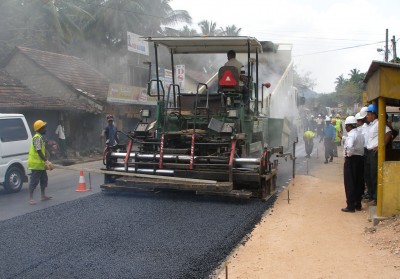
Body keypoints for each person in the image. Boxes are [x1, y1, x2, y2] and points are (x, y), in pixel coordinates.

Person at [365, 103, 392, 205]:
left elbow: (389, 133)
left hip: (374, 153)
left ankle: (376, 199)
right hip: (369, 153)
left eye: (368, 114)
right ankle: (372, 196)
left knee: (374, 175)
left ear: (374, 114)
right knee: (369, 175)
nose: (367, 116)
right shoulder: (372, 125)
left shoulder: (379, 124)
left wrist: (381, 146)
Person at [341, 116, 364, 213]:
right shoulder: (359, 134)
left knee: (350, 183)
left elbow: (349, 147)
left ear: (349, 126)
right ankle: (358, 204)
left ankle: (350, 206)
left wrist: (347, 155)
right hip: (360, 159)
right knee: (358, 182)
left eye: (346, 126)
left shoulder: (351, 135)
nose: (345, 128)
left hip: (351, 160)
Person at [28, 120, 54, 205]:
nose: (46, 129)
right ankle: (31, 198)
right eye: (44, 127)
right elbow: (38, 151)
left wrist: (46, 155)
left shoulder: (40, 137)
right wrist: (46, 161)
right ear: (40, 129)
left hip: (40, 164)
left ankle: (43, 196)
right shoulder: (36, 138)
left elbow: (42, 150)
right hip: (35, 164)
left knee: (44, 179)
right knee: (34, 181)